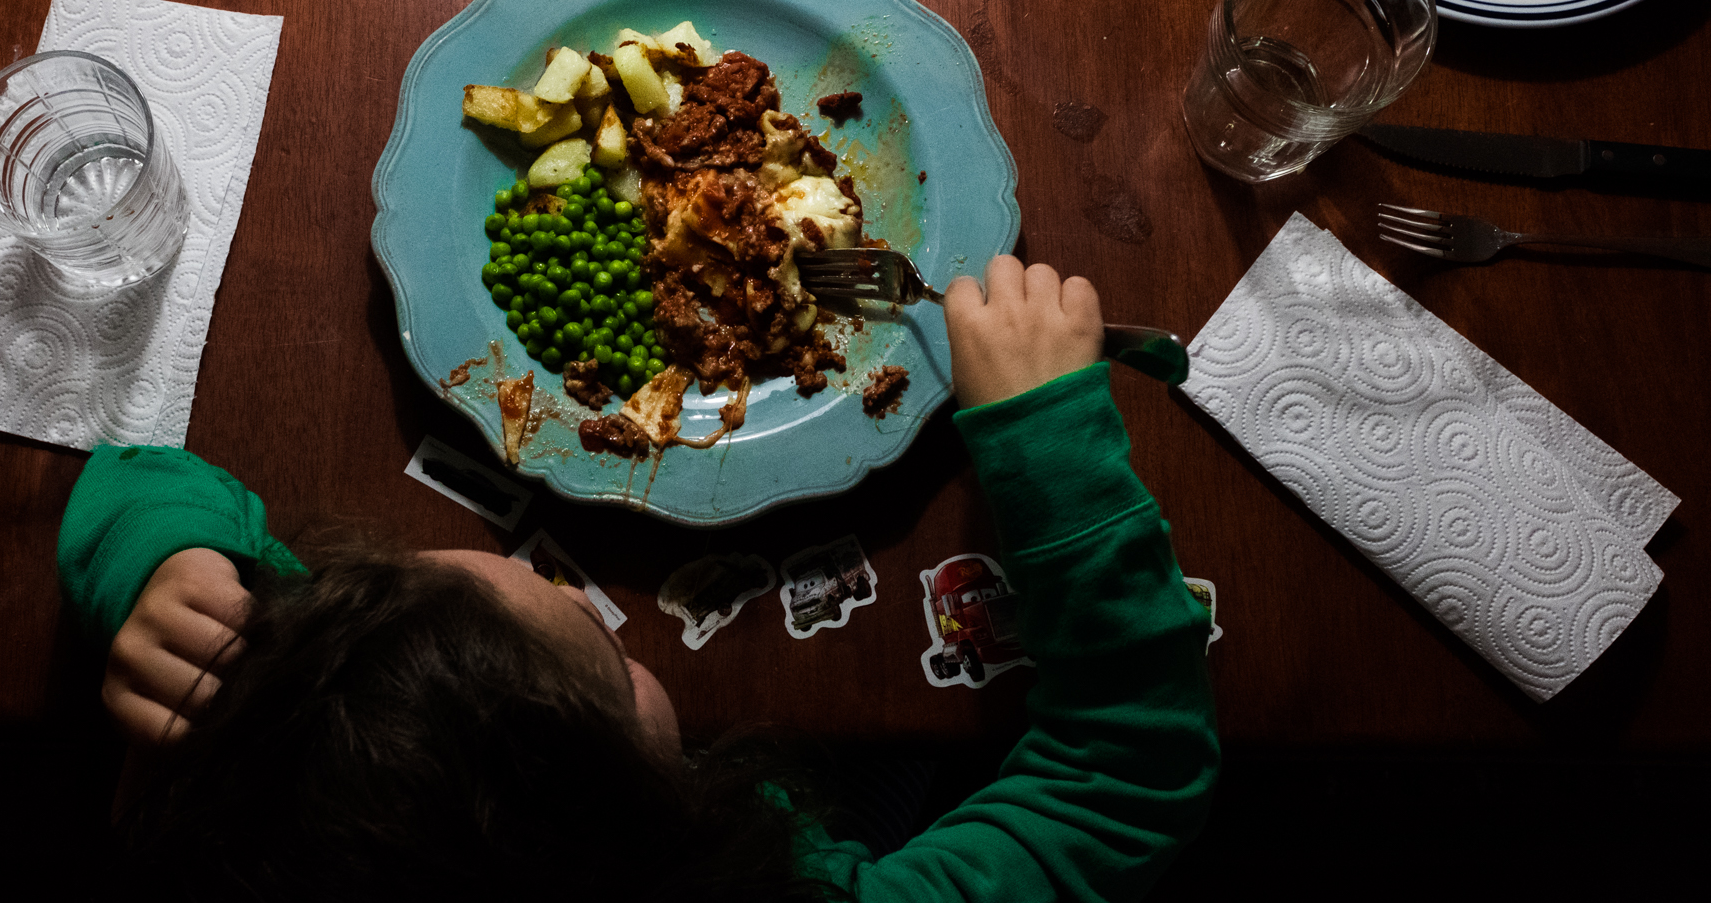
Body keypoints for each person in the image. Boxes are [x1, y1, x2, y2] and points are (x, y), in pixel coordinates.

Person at [59, 257, 1219, 900]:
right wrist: (1048, 440)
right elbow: (1121, 776)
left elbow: (129, 472)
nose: (581, 594)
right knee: (903, 759)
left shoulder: (289, 752)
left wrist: (161, 568)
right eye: (611, 663)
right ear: (656, 823)